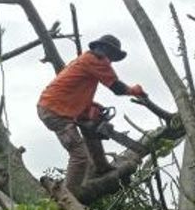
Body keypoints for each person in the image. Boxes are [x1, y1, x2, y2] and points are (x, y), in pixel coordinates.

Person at [36, 35, 147, 189]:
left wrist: (89, 105)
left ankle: (101, 166)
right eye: (112, 57)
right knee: (80, 156)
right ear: (107, 50)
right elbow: (116, 87)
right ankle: (68, 198)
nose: (111, 61)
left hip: (58, 106)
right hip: (55, 111)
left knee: (92, 125)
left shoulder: (85, 60)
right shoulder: (96, 60)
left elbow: (75, 89)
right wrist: (134, 91)